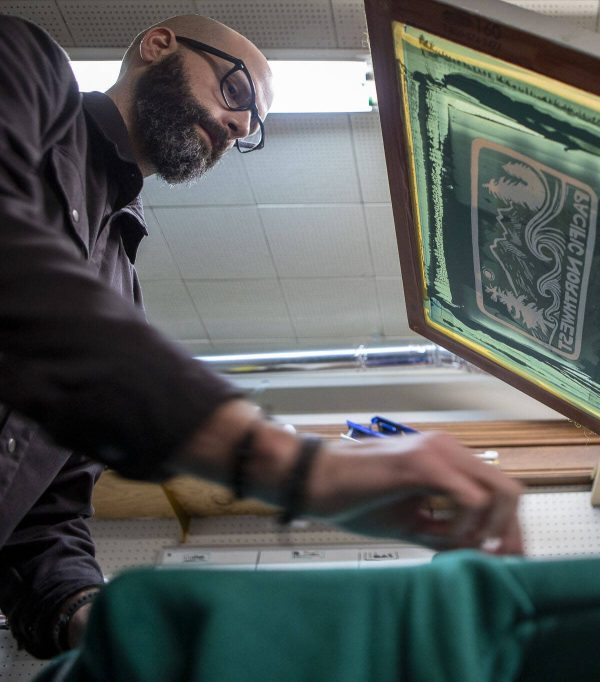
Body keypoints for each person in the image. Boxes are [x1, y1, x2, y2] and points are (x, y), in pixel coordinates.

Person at [0, 13, 523, 659]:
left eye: (252, 123)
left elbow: (45, 518)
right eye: (236, 90)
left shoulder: (120, 292)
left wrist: (100, 622)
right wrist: (296, 467)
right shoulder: (26, 65)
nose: (240, 125)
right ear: (158, 46)